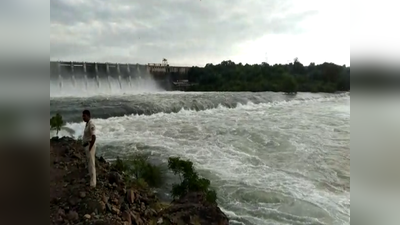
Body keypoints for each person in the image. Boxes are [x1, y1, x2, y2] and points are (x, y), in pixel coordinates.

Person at [82, 109, 97, 187]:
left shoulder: (91, 124)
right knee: (89, 164)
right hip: (87, 146)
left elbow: (94, 137)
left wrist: (90, 148)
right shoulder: (87, 124)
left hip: (89, 146)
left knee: (91, 164)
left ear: (88, 116)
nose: (83, 117)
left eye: (84, 116)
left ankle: (93, 183)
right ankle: (91, 180)